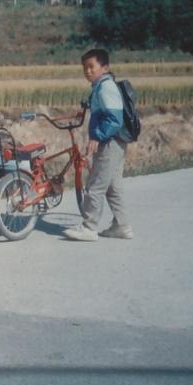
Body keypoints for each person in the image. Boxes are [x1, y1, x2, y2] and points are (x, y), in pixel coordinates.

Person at [64, 48, 134, 242]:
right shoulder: (100, 86)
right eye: (84, 67)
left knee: (95, 184)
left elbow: (114, 119)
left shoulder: (105, 87)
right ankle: (122, 226)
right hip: (116, 142)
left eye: (91, 66)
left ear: (105, 68)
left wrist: (97, 137)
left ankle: (89, 227)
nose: (87, 71)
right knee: (112, 186)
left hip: (110, 142)